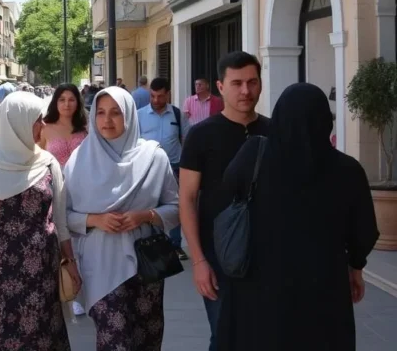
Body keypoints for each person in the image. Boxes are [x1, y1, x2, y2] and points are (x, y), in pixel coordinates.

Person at [215, 83, 379, 351]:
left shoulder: (252, 158)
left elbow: (226, 193)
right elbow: (364, 231)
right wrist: (355, 268)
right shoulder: (348, 171)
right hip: (323, 287)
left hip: (259, 286)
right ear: (326, 121)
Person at [0, 92, 78, 351]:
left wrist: (70, 260)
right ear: (16, 123)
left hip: (41, 271)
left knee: (42, 335)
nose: (43, 126)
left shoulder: (47, 163)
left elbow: (60, 218)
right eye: (37, 120)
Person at [64, 86, 180, 351]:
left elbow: (175, 208)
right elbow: (63, 217)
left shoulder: (154, 157)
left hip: (147, 266)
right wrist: (94, 220)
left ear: (129, 115)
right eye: (100, 113)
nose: (107, 120)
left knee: (146, 339)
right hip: (100, 265)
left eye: (116, 113)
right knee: (114, 341)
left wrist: (146, 215)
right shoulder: (79, 160)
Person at [179, 51, 270, 351]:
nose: (245, 91)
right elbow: (188, 199)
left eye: (252, 82)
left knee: (264, 335)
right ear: (220, 86)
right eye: (237, 83)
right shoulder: (201, 136)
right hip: (218, 256)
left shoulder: (276, 132)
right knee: (224, 334)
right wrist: (199, 261)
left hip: (267, 255)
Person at [137, 77, 190, 258]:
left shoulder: (177, 114)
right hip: (148, 167)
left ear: (168, 94)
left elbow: (187, 140)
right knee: (150, 205)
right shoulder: (139, 115)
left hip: (175, 166)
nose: (156, 100)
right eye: (153, 96)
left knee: (175, 205)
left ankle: (175, 244)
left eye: (160, 96)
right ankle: (153, 243)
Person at [40, 83, 88, 167]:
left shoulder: (86, 127)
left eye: (71, 100)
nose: (67, 104)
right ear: (56, 102)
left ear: (77, 102)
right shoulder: (44, 127)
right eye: (62, 100)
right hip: (54, 178)